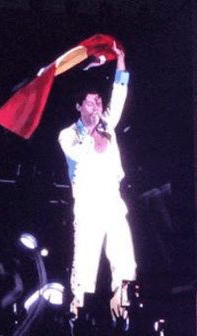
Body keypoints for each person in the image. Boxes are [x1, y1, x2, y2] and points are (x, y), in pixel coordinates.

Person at [58, 42, 136, 320]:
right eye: (90, 102)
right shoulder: (68, 135)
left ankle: (122, 296)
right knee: (86, 258)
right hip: (89, 201)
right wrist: (91, 128)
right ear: (79, 106)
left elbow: (120, 91)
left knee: (122, 248)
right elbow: (78, 153)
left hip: (111, 198)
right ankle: (76, 306)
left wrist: (121, 58)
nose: (96, 106)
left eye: (98, 102)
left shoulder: (108, 125)